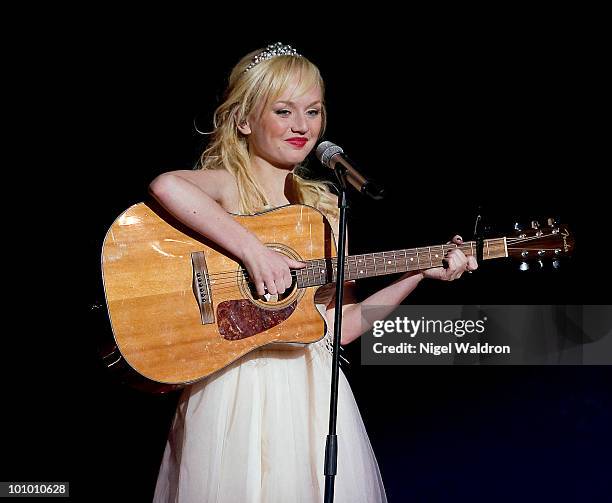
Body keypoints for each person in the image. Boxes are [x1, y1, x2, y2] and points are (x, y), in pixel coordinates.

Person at [150, 42, 478, 503]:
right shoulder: (227, 189)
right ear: (245, 120)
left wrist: (418, 271)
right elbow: (167, 185)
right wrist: (253, 250)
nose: (302, 126)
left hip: (308, 394)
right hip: (234, 391)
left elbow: (339, 327)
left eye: (313, 111)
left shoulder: (325, 211)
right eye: (283, 111)